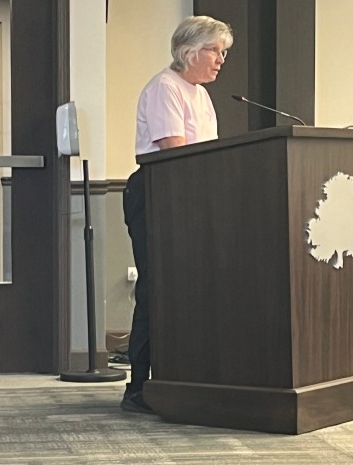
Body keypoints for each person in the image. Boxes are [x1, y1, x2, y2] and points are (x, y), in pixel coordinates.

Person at [121, 15, 233, 414]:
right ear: (189, 52)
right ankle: (139, 388)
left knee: (192, 291)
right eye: (215, 51)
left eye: (224, 52)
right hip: (157, 195)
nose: (221, 59)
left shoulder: (201, 94)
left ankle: (187, 377)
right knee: (157, 290)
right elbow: (175, 152)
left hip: (192, 199)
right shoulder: (165, 88)